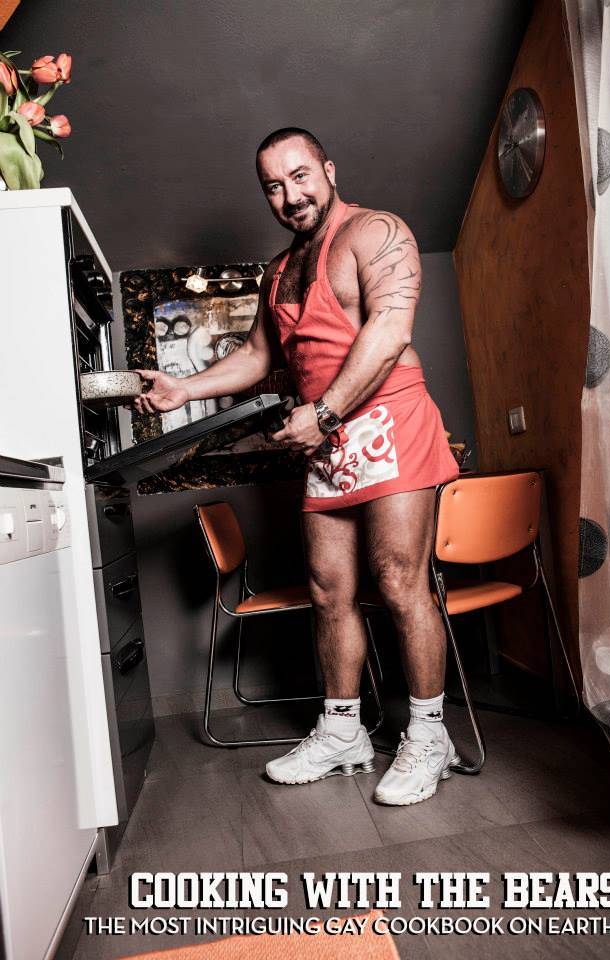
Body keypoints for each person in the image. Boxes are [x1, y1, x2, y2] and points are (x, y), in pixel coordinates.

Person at [135, 128, 460, 805]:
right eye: (274, 187)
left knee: (399, 581)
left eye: (301, 175)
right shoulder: (279, 271)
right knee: (327, 589)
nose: (291, 195)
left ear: (328, 170)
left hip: (387, 418)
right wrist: (183, 389)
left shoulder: (377, 232)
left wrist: (327, 412)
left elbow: (389, 330)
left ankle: (430, 736)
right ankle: (343, 732)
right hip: (327, 436)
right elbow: (259, 356)